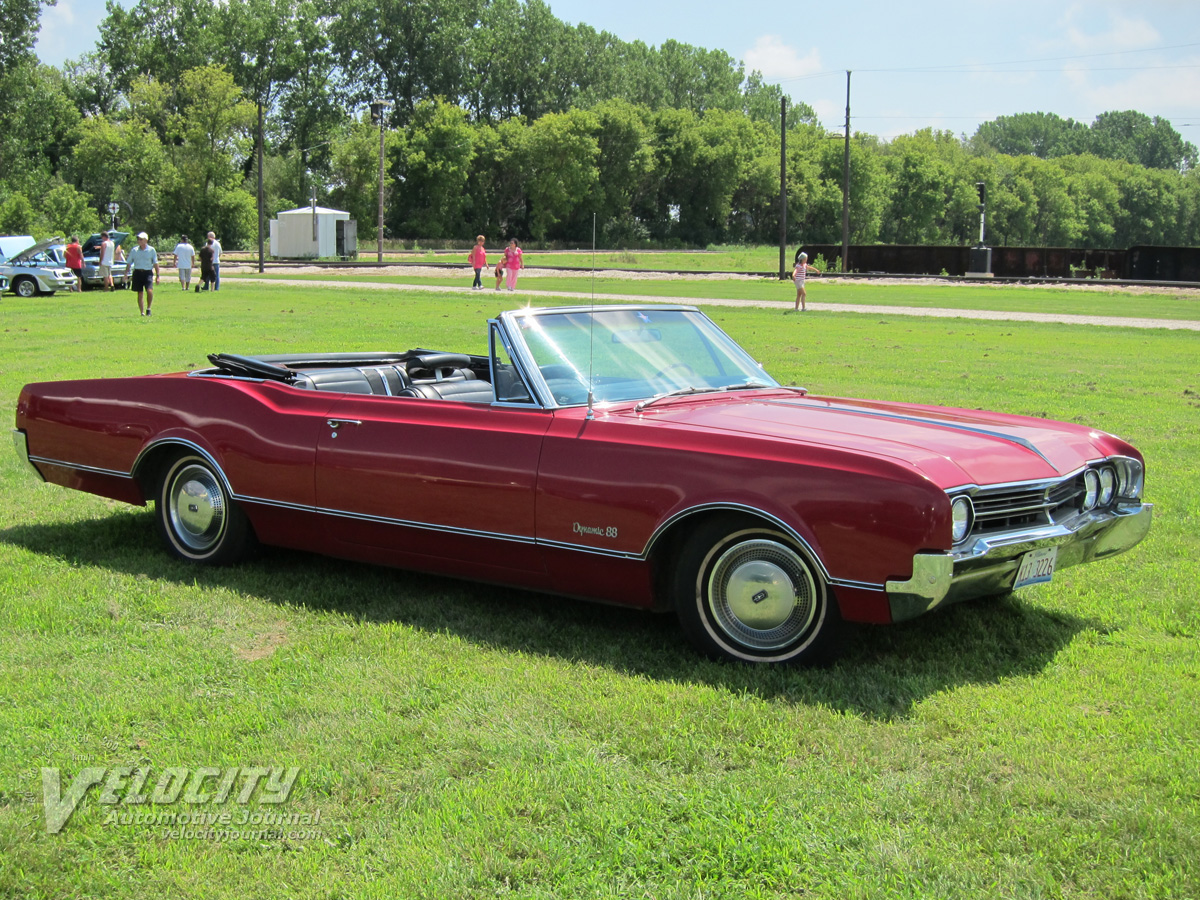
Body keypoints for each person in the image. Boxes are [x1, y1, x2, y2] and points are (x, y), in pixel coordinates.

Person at [126, 231, 160, 316]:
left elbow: (155, 263)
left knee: (149, 290)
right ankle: (142, 312)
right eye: (138, 239)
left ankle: (148, 308)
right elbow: (129, 262)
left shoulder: (151, 250)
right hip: (137, 272)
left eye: (141, 239)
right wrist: (126, 274)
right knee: (140, 293)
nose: (139, 241)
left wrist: (158, 275)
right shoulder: (134, 250)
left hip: (147, 272)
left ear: (145, 240)